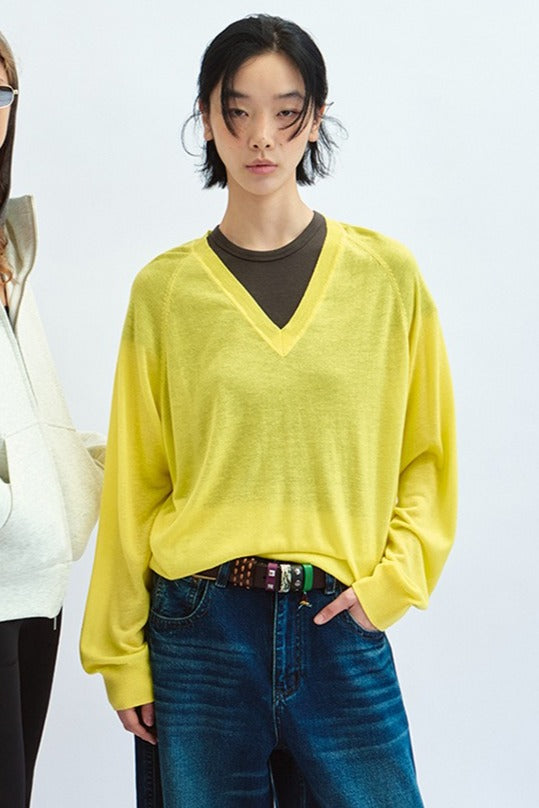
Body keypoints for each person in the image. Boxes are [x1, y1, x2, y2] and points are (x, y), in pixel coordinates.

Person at [81, 14, 457, 808]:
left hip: (339, 621)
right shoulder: (164, 292)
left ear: (314, 119)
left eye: (285, 113)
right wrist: (120, 654)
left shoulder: (388, 278)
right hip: (199, 630)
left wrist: (393, 583)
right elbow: (135, 485)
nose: (260, 137)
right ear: (206, 118)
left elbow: (427, 456)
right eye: (237, 111)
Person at [0, 32, 105, 808]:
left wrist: (101, 469)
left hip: (35, 586)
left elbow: (31, 417)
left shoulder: (8, 242)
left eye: (0, 93)